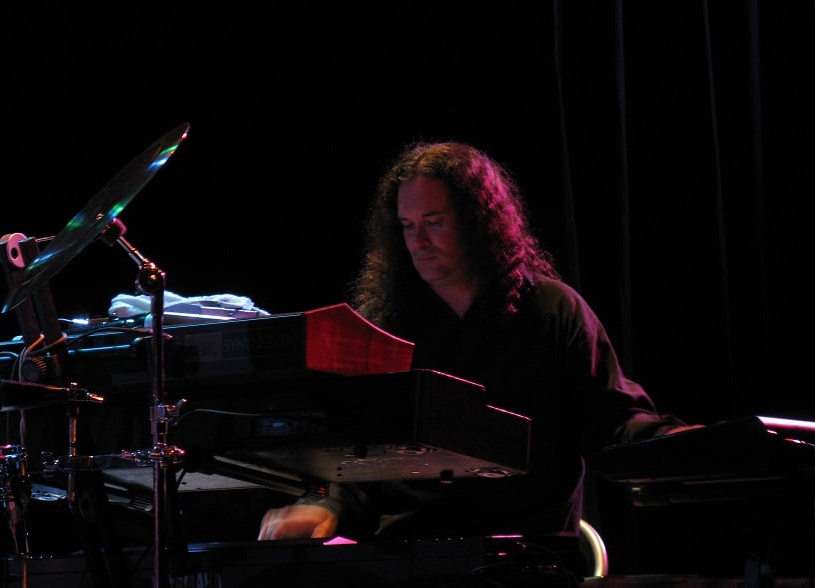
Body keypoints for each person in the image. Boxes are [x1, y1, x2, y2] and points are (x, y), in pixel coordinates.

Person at [257, 140, 699, 549]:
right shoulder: (387, 327)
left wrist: (676, 442)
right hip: (409, 550)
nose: (419, 241)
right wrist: (326, 506)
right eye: (408, 226)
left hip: (524, 552)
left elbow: (615, 420)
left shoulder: (551, 310)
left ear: (477, 220)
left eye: (434, 222)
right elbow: (361, 455)